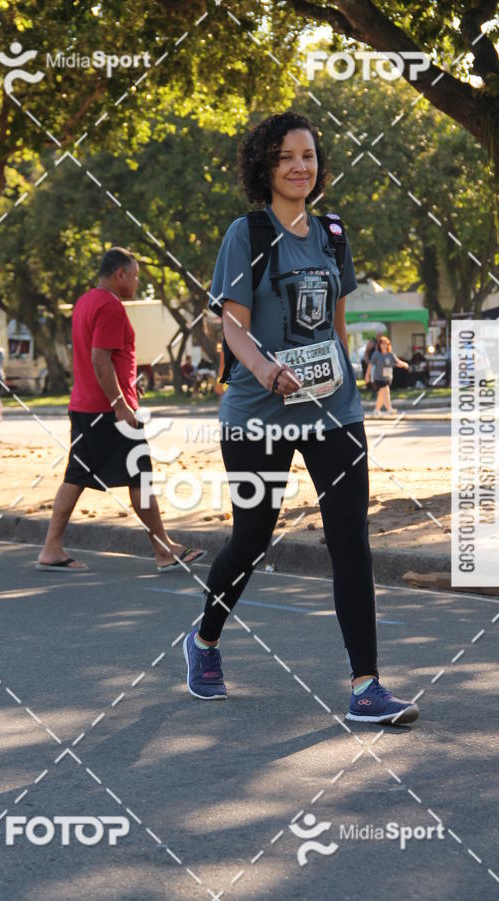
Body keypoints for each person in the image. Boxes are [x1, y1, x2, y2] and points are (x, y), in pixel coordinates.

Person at [183, 112, 418, 725]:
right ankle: (205, 640)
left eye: (308, 155)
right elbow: (232, 325)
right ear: (264, 166)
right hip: (257, 411)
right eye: (286, 156)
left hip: (333, 411)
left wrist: (348, 381)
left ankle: (366, 686)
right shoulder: (248, 233)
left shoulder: (333, 234)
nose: (299, 166)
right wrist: (266, 369)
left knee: (350, 539)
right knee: (252, 537)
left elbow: (335, 325)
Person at [37, 247, 206, 573]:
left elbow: (104, 360)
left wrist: (127, 387)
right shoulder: (110, 306)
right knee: (139, 475)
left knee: (77, 476)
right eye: (136, 275)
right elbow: (99, 359)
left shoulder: (85, 302)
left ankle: (51, 548)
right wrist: (120, 404)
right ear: (120, 274)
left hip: (86, 406)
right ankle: (163, 550)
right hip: (108, 411)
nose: (137, 281)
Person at [365, 336, 409, 417]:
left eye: (385, 344)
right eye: (382, 344)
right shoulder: (376, 354)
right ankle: (389, 409)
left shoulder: (390, 354)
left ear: (388, 345)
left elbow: (397, 362)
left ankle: (376, 410)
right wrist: (367, 375)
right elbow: (370, 365)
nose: (384, 346)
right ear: (379, 345)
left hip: (387, 378)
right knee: (385, 393)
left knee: (382, 395)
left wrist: (404, 364)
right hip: (378, 378)